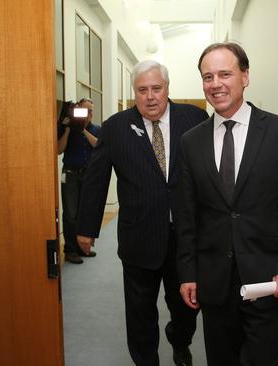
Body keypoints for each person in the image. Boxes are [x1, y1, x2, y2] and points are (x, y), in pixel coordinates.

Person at [175, 42, 278, 365]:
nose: (216, 84)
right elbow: (186, 215)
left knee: (267, 359)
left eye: (225, 73)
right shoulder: (191, 142)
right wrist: (187, 273)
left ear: (245, 76)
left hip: (268, 279)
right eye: (207, 77)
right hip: (214, 282)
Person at [76, 60, 208, 366]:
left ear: (167, 88)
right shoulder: (116, 127)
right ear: (135, 92)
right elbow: (97, 180)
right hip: (140, 236)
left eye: (156, 89)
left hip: (185, 240)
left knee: (187, 307)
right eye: (142, 90)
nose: (150, 97)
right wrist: (86, 228)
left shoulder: (195, 119)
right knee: (140, 312)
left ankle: (179, 338)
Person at [57, 98, 100, 264]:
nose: (89, 114)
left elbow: (98, 146)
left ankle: (83, 248)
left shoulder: (96, 129)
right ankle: (70, 250)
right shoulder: (67, 128)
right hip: (70, 175)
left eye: (91, 111)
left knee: (84, 213)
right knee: (70, 214)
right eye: (85, 110)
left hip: (89, 175)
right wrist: (68, 129)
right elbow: (59, 150)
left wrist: (82, 130)